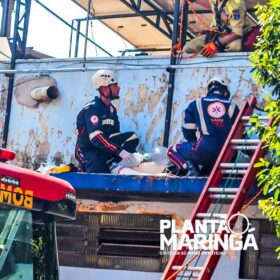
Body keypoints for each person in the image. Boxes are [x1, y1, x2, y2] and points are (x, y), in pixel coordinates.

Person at [167, 76, 239, 176]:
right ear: (225, 92)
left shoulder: (196, 104)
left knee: (172, 150)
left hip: (204, 152)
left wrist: (193, 144)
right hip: (227, 156)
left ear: (209, 90)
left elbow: (188, 131)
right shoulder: (233, 107)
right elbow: (241, 135)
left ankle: (191, 168)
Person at [75, 69, 139, 173]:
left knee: (132, 138)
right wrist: (120, 151)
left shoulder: (111, 109)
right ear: (105, 89)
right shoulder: (92, 108)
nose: (119, 88)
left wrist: (123, 153)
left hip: (103, 148)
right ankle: (85, 166)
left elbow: (115, 135)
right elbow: (96, 138)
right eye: (115, 85)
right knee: (100, 171)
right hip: (89, 150)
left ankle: (112, 163)